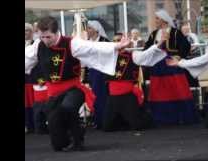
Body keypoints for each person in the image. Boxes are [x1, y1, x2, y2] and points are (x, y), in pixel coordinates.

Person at [25, 16, 131, 151]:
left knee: (67, 108)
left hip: (73, 89)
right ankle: (67, 138)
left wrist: (117, 45)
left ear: (56, 32)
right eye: (42, 37)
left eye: (48, 37)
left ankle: (77, 139)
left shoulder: (72, 43)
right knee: (57, 140)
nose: (45, 41)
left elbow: (93, 47)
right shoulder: (37, 46)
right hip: (53, 93)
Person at [143, 9, 199, 125]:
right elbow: (146, 49)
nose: (156, 21)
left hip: (172, 67)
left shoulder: (175, 32)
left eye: (157, 18)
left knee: (178, 91)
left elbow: (186, 46)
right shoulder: (154, 34)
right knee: (159, 93)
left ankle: (180, 117)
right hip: (157, 68)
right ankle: (161, 118)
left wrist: (178, 57)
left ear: (163, 20)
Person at [102, 33, 167, 131]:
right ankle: (123, 120)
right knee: (107, 128)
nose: (117, 42)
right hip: (112, 97)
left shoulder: (133, 55)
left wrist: (159, 44)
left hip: (127, 97)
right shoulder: (109, 56)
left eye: (120, 40)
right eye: (115, 40)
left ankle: (147, 118)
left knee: (137, 125)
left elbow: (147, 54)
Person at [82, 20, 110, 129]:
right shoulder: (87, 43)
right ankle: (97, 120)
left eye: (89, 28)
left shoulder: (105, 41)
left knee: (103, 97)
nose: (87, 30)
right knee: (94, 97)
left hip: (102, 72)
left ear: (96, 30)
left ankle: (104, 121)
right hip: (92, 72)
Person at [25, 23, 35, 134]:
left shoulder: (36, 45)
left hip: (33, 80)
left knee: (35, 104)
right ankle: (27, 124)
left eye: (27, 30)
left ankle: (36, 125)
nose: (25, 33)